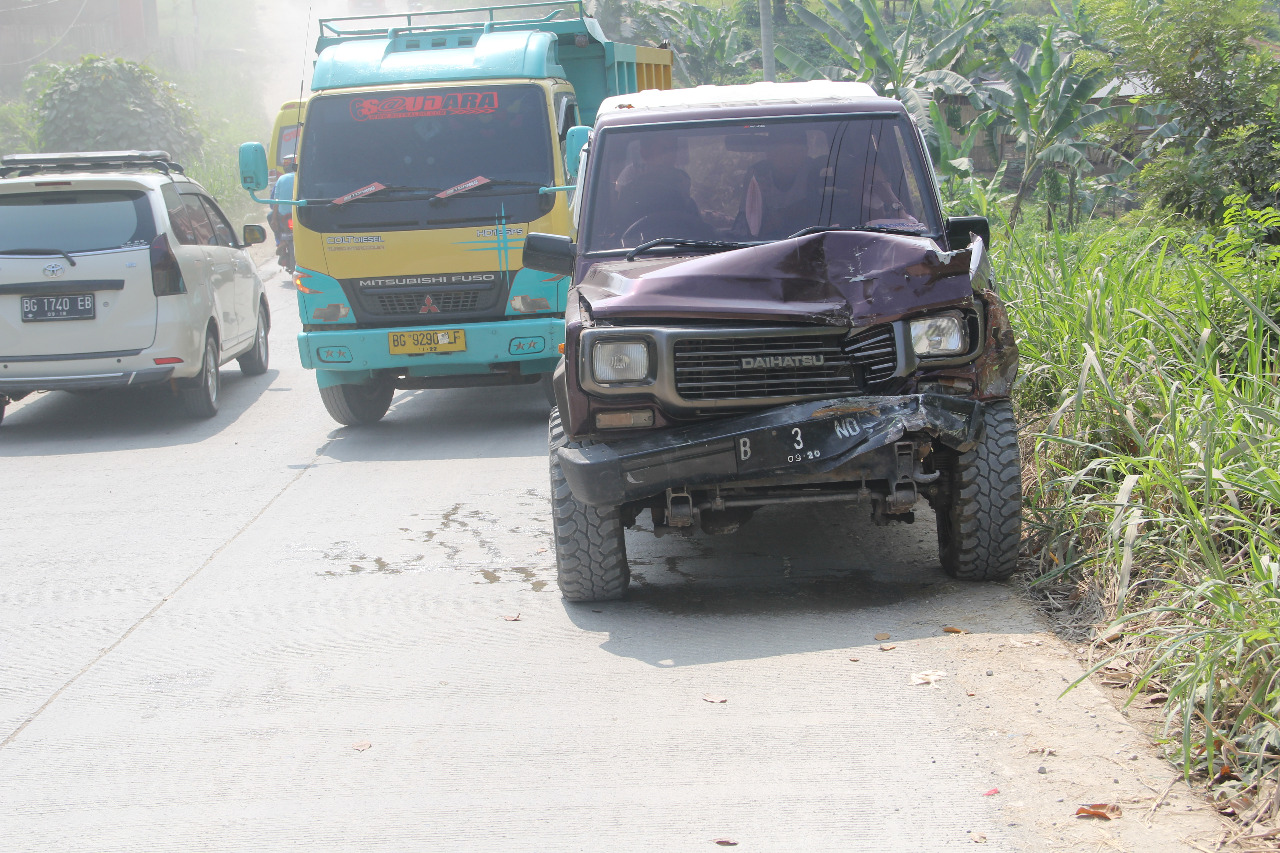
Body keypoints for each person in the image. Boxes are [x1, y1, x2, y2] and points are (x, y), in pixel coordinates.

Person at [736, 126, 823, 240]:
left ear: (805, 152)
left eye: (795, 152)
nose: (789, 158)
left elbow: (818, 209)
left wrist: (783, 216)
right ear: (769, 154)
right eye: (781, 152)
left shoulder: (815, 172)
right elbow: (749, 218)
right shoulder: (758, 174)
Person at [268, 155, 297, 245]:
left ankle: (280, 241)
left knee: (270, 216)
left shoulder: (280, 179)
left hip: (283, 215)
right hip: (299, 214)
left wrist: (274, 219)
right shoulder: (302, 178)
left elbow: (275, 201)